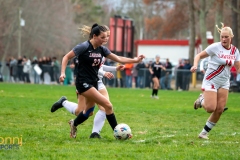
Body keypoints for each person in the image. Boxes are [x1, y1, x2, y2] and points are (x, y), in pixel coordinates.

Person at [54, 23, 145, 138]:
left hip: (94, 82)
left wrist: (135, 60)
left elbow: (118, 58)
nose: (105, 39)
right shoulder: (83, 47)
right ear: (94, 36)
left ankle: (74, 123)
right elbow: (66, 57)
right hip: (83, 83)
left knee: (87, 111)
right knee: (108, 105)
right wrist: (62, 73)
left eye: (107, 37)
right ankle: (118, 133)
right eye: (103, 37)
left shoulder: (102, 50)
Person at [190, 23, 240, 139]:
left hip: (224, 82)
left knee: (220, 109)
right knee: (210, 108)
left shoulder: (235, 51)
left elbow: (238, 68)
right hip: (211, 80)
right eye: (222, 36)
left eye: (226, 37)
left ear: (231, 37)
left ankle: (204, 133)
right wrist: (195, 65)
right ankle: (201, 99)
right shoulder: (215, 47)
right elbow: (198, 56)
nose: (223, 39)